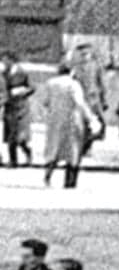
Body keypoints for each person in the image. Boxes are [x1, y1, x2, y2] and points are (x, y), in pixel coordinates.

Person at [35, 60, 96, 188]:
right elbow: (79, 103)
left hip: (54, 121)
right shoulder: (74, 85)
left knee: (53, 148)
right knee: (72, 150)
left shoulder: (50, 83)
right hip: (71, 121)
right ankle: (70, 181)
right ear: (71, 71)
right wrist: (91, 118)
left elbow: (44, 102)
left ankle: (48, 176)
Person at [3, 52, 33, 167]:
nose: (4, 63)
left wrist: (22, 91)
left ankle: (28, 152)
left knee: (20, 137)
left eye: (6, 60)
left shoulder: (22, 72)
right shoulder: (4, 73)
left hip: (21, 107)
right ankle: (13, 160)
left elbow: (32, 87)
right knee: (10, 136)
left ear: (12, 60)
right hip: (9, 106)